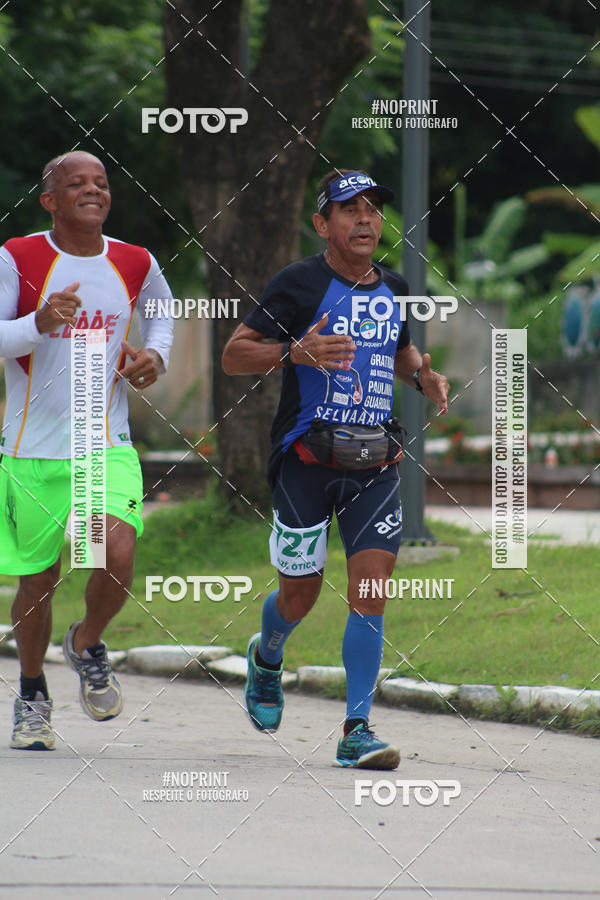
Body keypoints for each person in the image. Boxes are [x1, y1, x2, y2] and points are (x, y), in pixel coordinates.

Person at [222, 169, 449, 769]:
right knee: (299, 596)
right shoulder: (297, 283)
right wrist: (292, 352)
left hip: (374, 460)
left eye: (373, 209)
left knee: (370, 594)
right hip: (305, 460)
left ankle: (357, 730)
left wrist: (422, 375)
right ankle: (267, 657)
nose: (366, 220)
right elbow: (234, 354)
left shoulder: (395, 288)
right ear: (323, 223)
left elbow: (400, 353)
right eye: (350, 210)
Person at [0, 151, 174, 750]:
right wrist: (39, 323)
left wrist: (156, 357)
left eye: (101, 182)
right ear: (50, 199)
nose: (92, 190)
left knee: (116, 547)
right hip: (32, 450)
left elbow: (161, 317)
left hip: (103, 443)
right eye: (76, 184)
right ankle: (31, 693)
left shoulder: (135, 261)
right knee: (37, 580)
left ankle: (86, 641)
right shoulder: (18, 257)